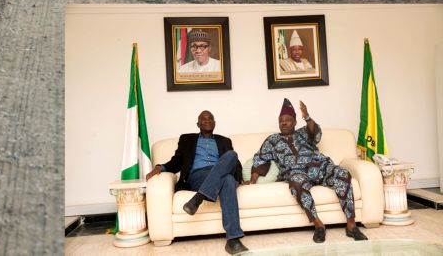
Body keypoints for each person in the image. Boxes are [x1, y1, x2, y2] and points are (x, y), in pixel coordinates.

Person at [249, 100, 368, 243]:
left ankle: (351, 225)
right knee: (296, 183)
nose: (284, 123)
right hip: (296, 172)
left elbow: (316, 133)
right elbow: (260, 158)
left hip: (320, 166)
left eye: (288, 120)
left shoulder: (304, 132)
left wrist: (307, 117)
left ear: (295, 122)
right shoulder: (272, 140)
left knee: (343, 174)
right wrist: (252, 179)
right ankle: (318, 226)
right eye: (281, 121)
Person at [147, 111, 248, 255]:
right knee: (227, 179)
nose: (207, 121)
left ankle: (198, 198)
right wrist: (160, 167)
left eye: (210, 119)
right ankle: (233, 240)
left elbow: (235, 164)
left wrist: (238, 179)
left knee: (231, 164)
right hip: (198, 175)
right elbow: (177, 161)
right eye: (203, 119)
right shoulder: (187, 139)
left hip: (220, 173)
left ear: (214, 123)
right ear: (198, 124)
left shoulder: (224, 141)